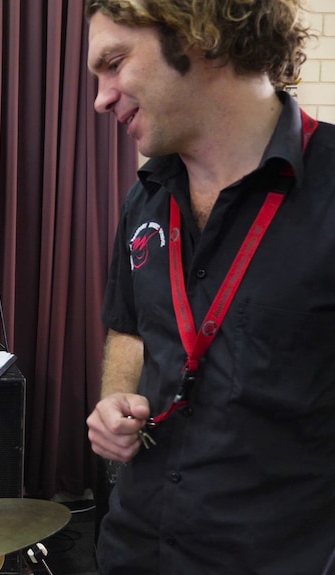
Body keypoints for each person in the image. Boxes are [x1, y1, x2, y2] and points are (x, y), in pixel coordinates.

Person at [84, 1, 335, 573]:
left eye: (115, 63)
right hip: (136, 545)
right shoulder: (145, 195)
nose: (101, 97)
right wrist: (113, 401)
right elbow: (130, 328)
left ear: (199, 34)